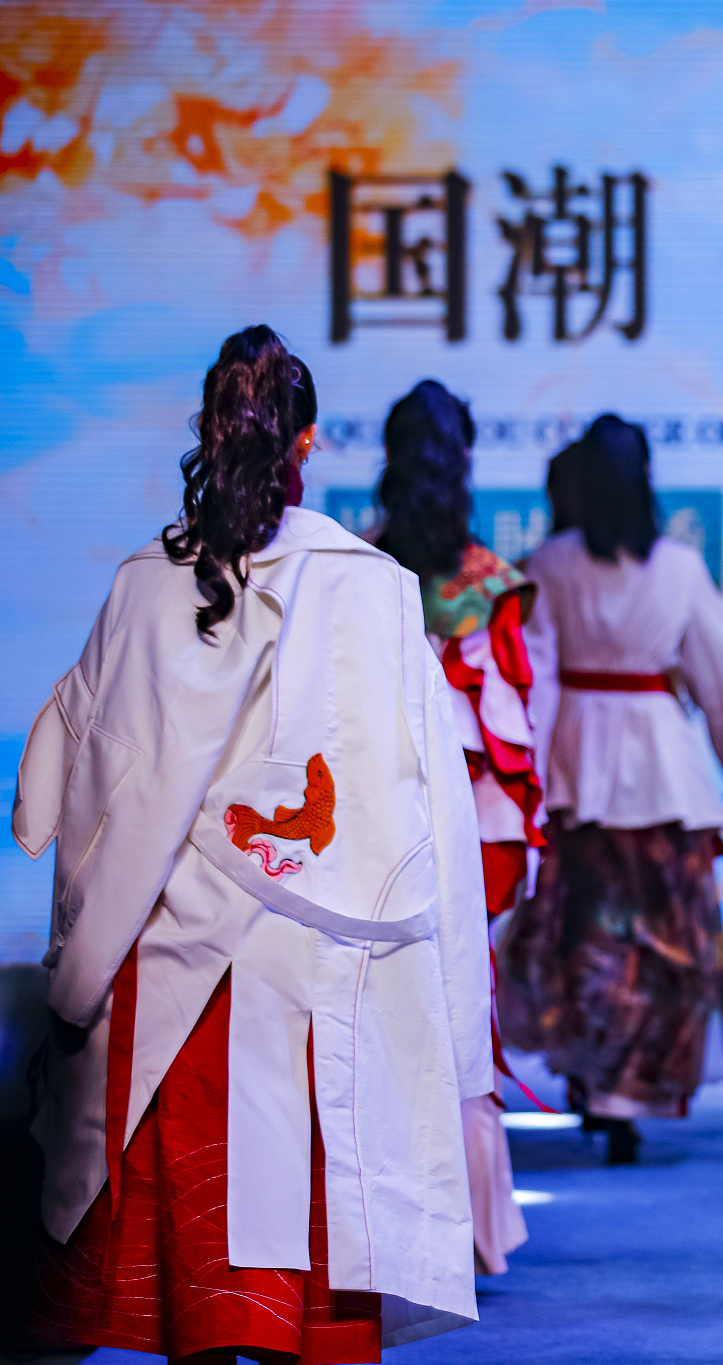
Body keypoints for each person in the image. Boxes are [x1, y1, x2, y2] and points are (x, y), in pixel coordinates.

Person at [17, 325, 491, 1361]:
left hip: (171, 942)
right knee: (296, 1226)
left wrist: (76, 940)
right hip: (318, 955)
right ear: (308, 441)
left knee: (195, 1247)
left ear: (207, 429)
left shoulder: (148, 580)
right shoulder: (368, 583)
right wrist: (458, 1022)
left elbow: (91, 761)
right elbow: (426, 800)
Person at [497, 415, 723, 1166]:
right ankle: (627, 1092)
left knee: (584, 934)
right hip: (658, 766)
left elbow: (532, 675)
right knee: (657, 937)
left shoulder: (548, 562)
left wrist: (531, 778)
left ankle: (594, 1080)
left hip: (578, 760)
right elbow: (718, 676)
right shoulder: (677, 567)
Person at [374, 379, 547, 1274]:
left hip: (375, 804)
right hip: (472, 813)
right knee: (460, 995)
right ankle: (476, 1225)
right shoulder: (494, 584)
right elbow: (515, 725)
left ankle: (393, 1213)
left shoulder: (357, 567)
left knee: (380, 996)